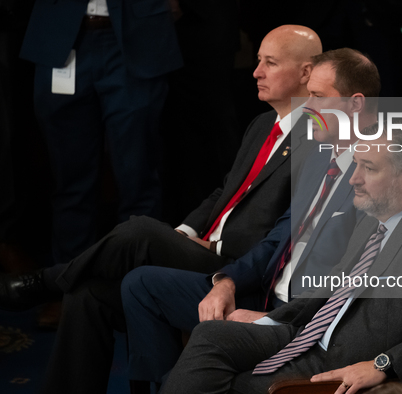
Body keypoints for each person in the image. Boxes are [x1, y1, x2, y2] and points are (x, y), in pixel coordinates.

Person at [0, 24, 322, 394]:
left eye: (270, 62)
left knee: (140, 231)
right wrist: (185, 234)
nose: (256, 71)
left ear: (305, 72)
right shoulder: (263, 123)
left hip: (237, 272)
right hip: (202, 250)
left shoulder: (320, 139)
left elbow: (287, 233)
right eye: (258, 61)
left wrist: (215, 248)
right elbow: (225, 193)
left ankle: (44, 282)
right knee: (87, 293)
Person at [120, 48, 381, 389]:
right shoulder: (321, 154)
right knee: (141, 285)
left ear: (355, 104)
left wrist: (274, 319)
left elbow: (351, 279)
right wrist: (226, 281)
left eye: (318, 97)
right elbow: (279, 236)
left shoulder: (378, 174)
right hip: (267, 292)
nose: (308, 107)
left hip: (300, 318)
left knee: (209, 342)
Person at [160, 126, 402, 394]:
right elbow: (336, 283)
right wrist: (271, 319)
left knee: (240, 387)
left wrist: (383, 364)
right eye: (356, 164)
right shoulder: (380, 209)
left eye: (368, 168)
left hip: (338, 360)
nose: (354, 178)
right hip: (308, 330)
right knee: (211, 334)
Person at [18, 0, 183, 271]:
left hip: (139, 36)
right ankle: (69, 288)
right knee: (70, 180)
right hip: (62, 39)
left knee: (138, 177)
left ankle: (137, 287)